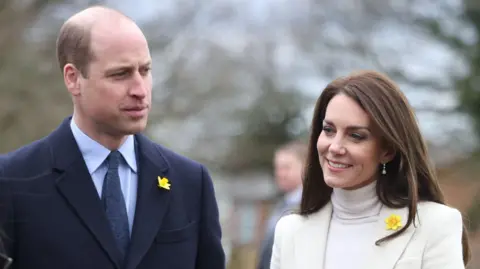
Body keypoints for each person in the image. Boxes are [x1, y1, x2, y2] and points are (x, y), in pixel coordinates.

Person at [0, 5, 225, 269]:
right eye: (121, 74)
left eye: (145, 70)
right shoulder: (12, 181)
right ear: (73, 79)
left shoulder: (190, 183)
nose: (140, 90)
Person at [270, 70, 471, 269]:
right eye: (329, 130)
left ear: (387, 151)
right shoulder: (289, 231)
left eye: (356, 136)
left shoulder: (434, 224)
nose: (335, 147)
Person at [256, 141, 307, 269]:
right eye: (277, 168)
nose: (280, 173)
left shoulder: (309, 208)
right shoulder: (281, 204)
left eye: (286, 168)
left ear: (306, 167)